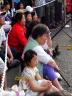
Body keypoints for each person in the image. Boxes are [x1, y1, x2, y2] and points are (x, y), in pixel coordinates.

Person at [22, 24, 63, 90]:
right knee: (49, 65)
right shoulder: (36, 47)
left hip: (33, 70)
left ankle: (59, 88)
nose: (46, 38)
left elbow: (49, 47)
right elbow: (51, 61)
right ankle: (59, 88)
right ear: (39, 36)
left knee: (48, 64)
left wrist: (49, 36)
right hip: (32, 75)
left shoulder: (33, 39)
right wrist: (57, 68)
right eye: (45, 36)